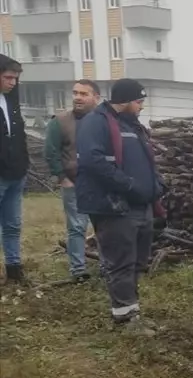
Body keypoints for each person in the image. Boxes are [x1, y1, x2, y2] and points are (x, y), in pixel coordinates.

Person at [75, 78, 165, 331]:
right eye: (139, 101)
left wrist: (155, 185)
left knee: (137, 261)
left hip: (141, 205)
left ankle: (132, 312)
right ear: (124, 101)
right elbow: (94, 161)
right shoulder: (97, 122)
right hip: (114, 206)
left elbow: (146, 161)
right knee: (121, 262)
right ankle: (124, 319)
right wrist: (128, 185)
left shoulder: (132, 124)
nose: (141, 107)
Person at [44, 79, 102, 282]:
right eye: (75, 93)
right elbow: (51, 152)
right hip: (74, 183)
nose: (77, 97)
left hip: (101, 184)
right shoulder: (59, 121)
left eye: (84, 94)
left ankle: (107, 266)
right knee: (77, 227)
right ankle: (78, 270)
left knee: (103, 225)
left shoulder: (104, 120)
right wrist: (63, 178)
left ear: (96, 97)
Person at [0, 55, 29, 284]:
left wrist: (23, 166)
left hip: (15, 174)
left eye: (15, 78)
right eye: (8, 77)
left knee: (12, 225)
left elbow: (18, 137)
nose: (12, 82)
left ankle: (14, 271)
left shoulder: (11, 101)